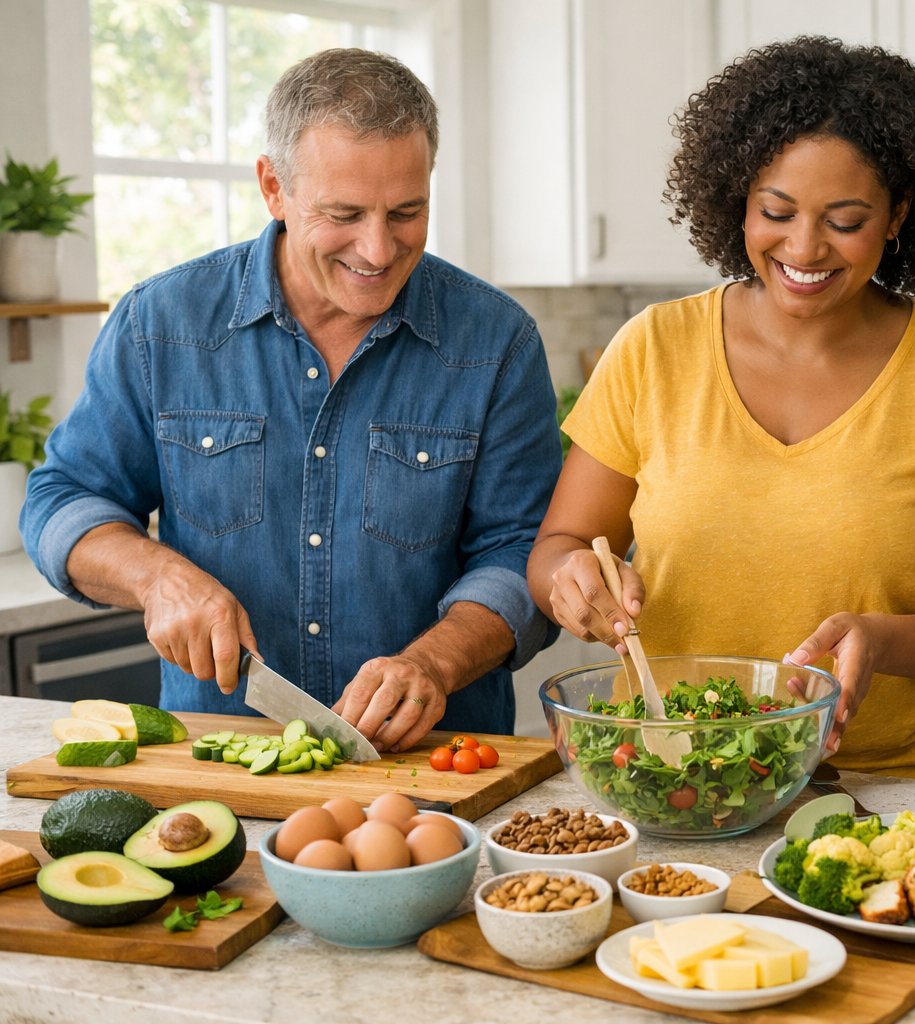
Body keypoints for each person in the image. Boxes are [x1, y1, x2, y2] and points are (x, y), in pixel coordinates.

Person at [528, 35, 915, 785]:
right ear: (738, 196)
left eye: (845, 221)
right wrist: (569, 580)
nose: (804, 248)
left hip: (905, 783)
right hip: (676, 775)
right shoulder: (654, 347)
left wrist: (884, 641)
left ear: (899, 215)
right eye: (776, 210)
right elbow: (564, 542)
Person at [21, 48, 562, 752]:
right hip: (220, 762)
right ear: (273, 187)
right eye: (344, 213)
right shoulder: (163, 324)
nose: (376, 249)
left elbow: (523, 549)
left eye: (406, 211)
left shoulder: (497, 342)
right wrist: (157, 577)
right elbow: (60, 499)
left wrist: (434, 660)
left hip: (435, 767)